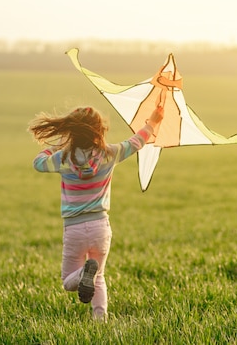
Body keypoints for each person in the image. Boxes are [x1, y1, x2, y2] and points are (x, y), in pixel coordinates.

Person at [28, 105, 164, 320]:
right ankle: (100, 319)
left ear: (72, 132)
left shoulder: (64, 159)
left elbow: (37, 163)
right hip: (101, 226)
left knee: (68, 281)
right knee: (98, 276)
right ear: (100, 131)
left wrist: (55, 149)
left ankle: (83, 274)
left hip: (74, 229)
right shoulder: (110, 154)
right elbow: (137, 142)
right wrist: (153, 122)